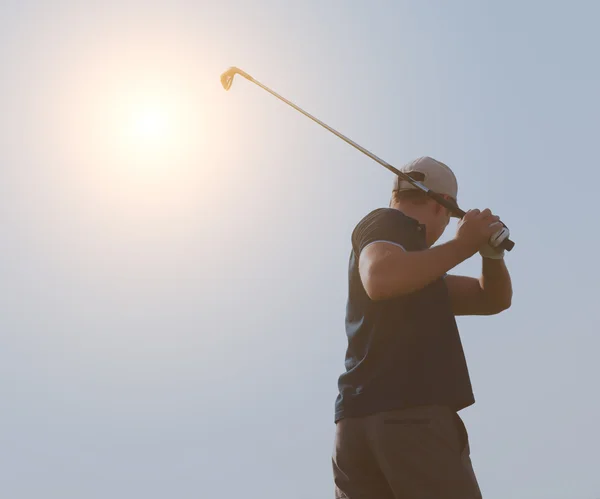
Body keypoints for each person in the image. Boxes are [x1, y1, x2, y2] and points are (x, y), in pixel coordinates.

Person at [332, 156, 513, 499]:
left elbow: (491, 299)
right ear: (440, 207)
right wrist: (464, 244)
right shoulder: (389, 222)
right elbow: (381, 277)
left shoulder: (419, 271)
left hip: (356, 427)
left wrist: (491, 256)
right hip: (409, 416)